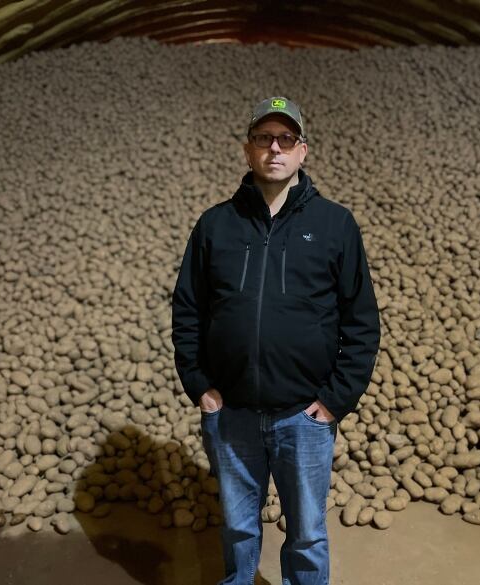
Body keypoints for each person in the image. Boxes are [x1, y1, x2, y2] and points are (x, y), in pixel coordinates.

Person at [171, 96, 380, 585]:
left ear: (303, 151)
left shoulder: (335, 225)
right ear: (248, 150)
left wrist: (335, 400)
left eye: (286, 139)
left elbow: (362, 320)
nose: (274, 149)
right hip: (232, 415)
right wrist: (199, 383)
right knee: (239, 530)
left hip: (303, 418)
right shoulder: (216, 225)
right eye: (264, 138)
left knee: (306, 533)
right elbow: (188, 309)